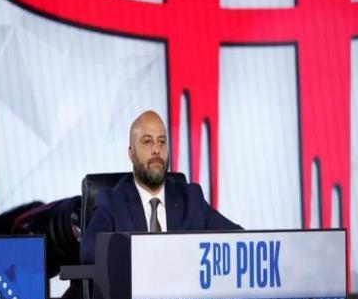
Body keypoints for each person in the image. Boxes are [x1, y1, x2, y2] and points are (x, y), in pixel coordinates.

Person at [80, 110, 241, 264]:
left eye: (162, 142)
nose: (157, 150)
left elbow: (240, 240)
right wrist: (147, 254)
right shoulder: (113, 202)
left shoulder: (191, 198)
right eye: (147, 142)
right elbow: (89, 251)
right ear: (132, 153)